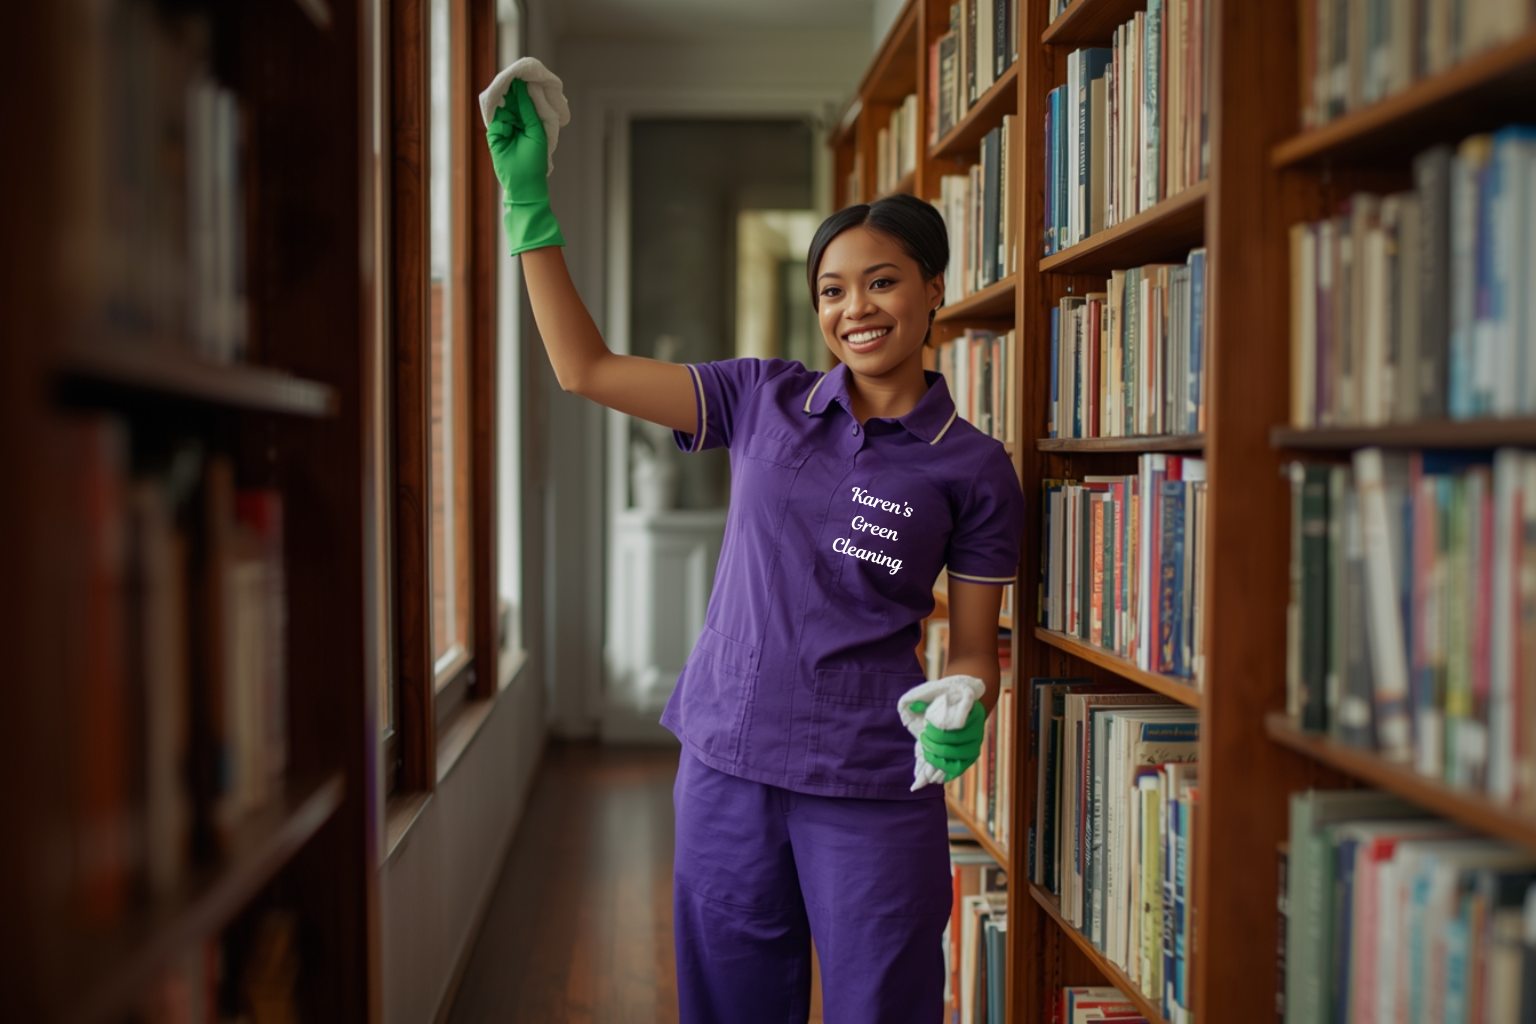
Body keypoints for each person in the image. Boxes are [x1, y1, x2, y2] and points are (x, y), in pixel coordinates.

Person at [485, 73, 1024, 1024]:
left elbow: (976, 645)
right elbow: (586, 368)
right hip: (726, 765)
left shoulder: (974, 467)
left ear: (934, 288)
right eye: (831, 289)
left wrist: (969, 696)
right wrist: (528, 201)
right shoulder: (762, 398)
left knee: (884, 1007)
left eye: (882, 280)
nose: (855, 308)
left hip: (870, 780)